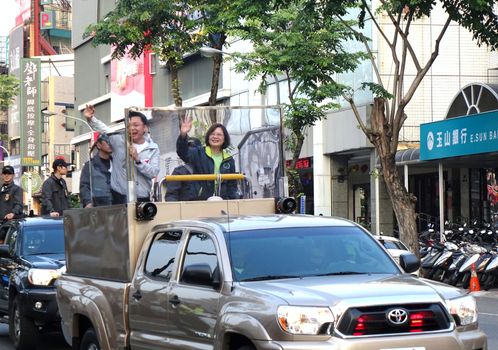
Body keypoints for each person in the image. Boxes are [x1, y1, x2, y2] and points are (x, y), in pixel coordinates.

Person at [84, 104, 160, 203]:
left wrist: (138, 161)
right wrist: (91, 119)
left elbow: (153, 172)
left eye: (136, 125)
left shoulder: (153, 148)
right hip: (119, 198)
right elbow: (104, 129)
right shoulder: (118, 141)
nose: (132, 128)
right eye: (129, 126)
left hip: (142, 198)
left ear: (145, 128)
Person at [177, 116, 238, 200]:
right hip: (201, 200)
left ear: (224, 139)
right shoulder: (198, 153)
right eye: (212, 134)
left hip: (223, 201)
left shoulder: (229, 159)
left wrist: (234, 199)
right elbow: (182, 152)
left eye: (219, 134)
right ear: (208, 137)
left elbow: (232, 185)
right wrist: (183, 134)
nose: (215, 137)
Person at [79, 133, 113, 207]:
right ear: (98, 145)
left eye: (111, 141)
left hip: (116, 205)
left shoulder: (116, 163)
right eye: (107, 141)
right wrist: (88, 202)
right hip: (98, 206)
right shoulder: (90, 165)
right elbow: (84, 186)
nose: (110, 144)